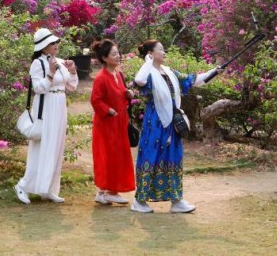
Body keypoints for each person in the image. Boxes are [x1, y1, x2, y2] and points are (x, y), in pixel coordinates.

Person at [131, 39, 219, 214]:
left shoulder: (169, 72)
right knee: (152, 156)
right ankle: (139, 201)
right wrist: (148, 62)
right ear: (150, 54)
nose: (164, 53)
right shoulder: (147, 73)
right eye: (161, 50)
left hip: (172, 121)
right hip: (154, 122)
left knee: (174, 157)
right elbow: (139, 80)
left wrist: (215, 71)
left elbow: (193, 80)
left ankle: (176, 200)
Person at [14, 28, 79, 204]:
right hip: (46, 107)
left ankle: (49, 188)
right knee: (42, 147)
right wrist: (50, 73)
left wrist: (72, 71)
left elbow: (71, 86)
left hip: (59, 105)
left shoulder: (59, 61)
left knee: (56, 146)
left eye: (56, 42)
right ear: (43, 46)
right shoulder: (38, 64)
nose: (56, 45)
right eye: (52, 43)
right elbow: (38, 89)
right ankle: (23, 185)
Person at [90, 39, 135, 205]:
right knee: (106, 156)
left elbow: (120, 94)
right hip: (107, 123)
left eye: (118, 53)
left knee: (117, 156)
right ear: (105, 57)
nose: (118, 56)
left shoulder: (118, 74)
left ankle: (106, 191)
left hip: (120, 122)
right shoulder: (101, 78)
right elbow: (96, 100)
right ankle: (107, 190)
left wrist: (128, 94)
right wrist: (108, 110)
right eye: (114, 54)